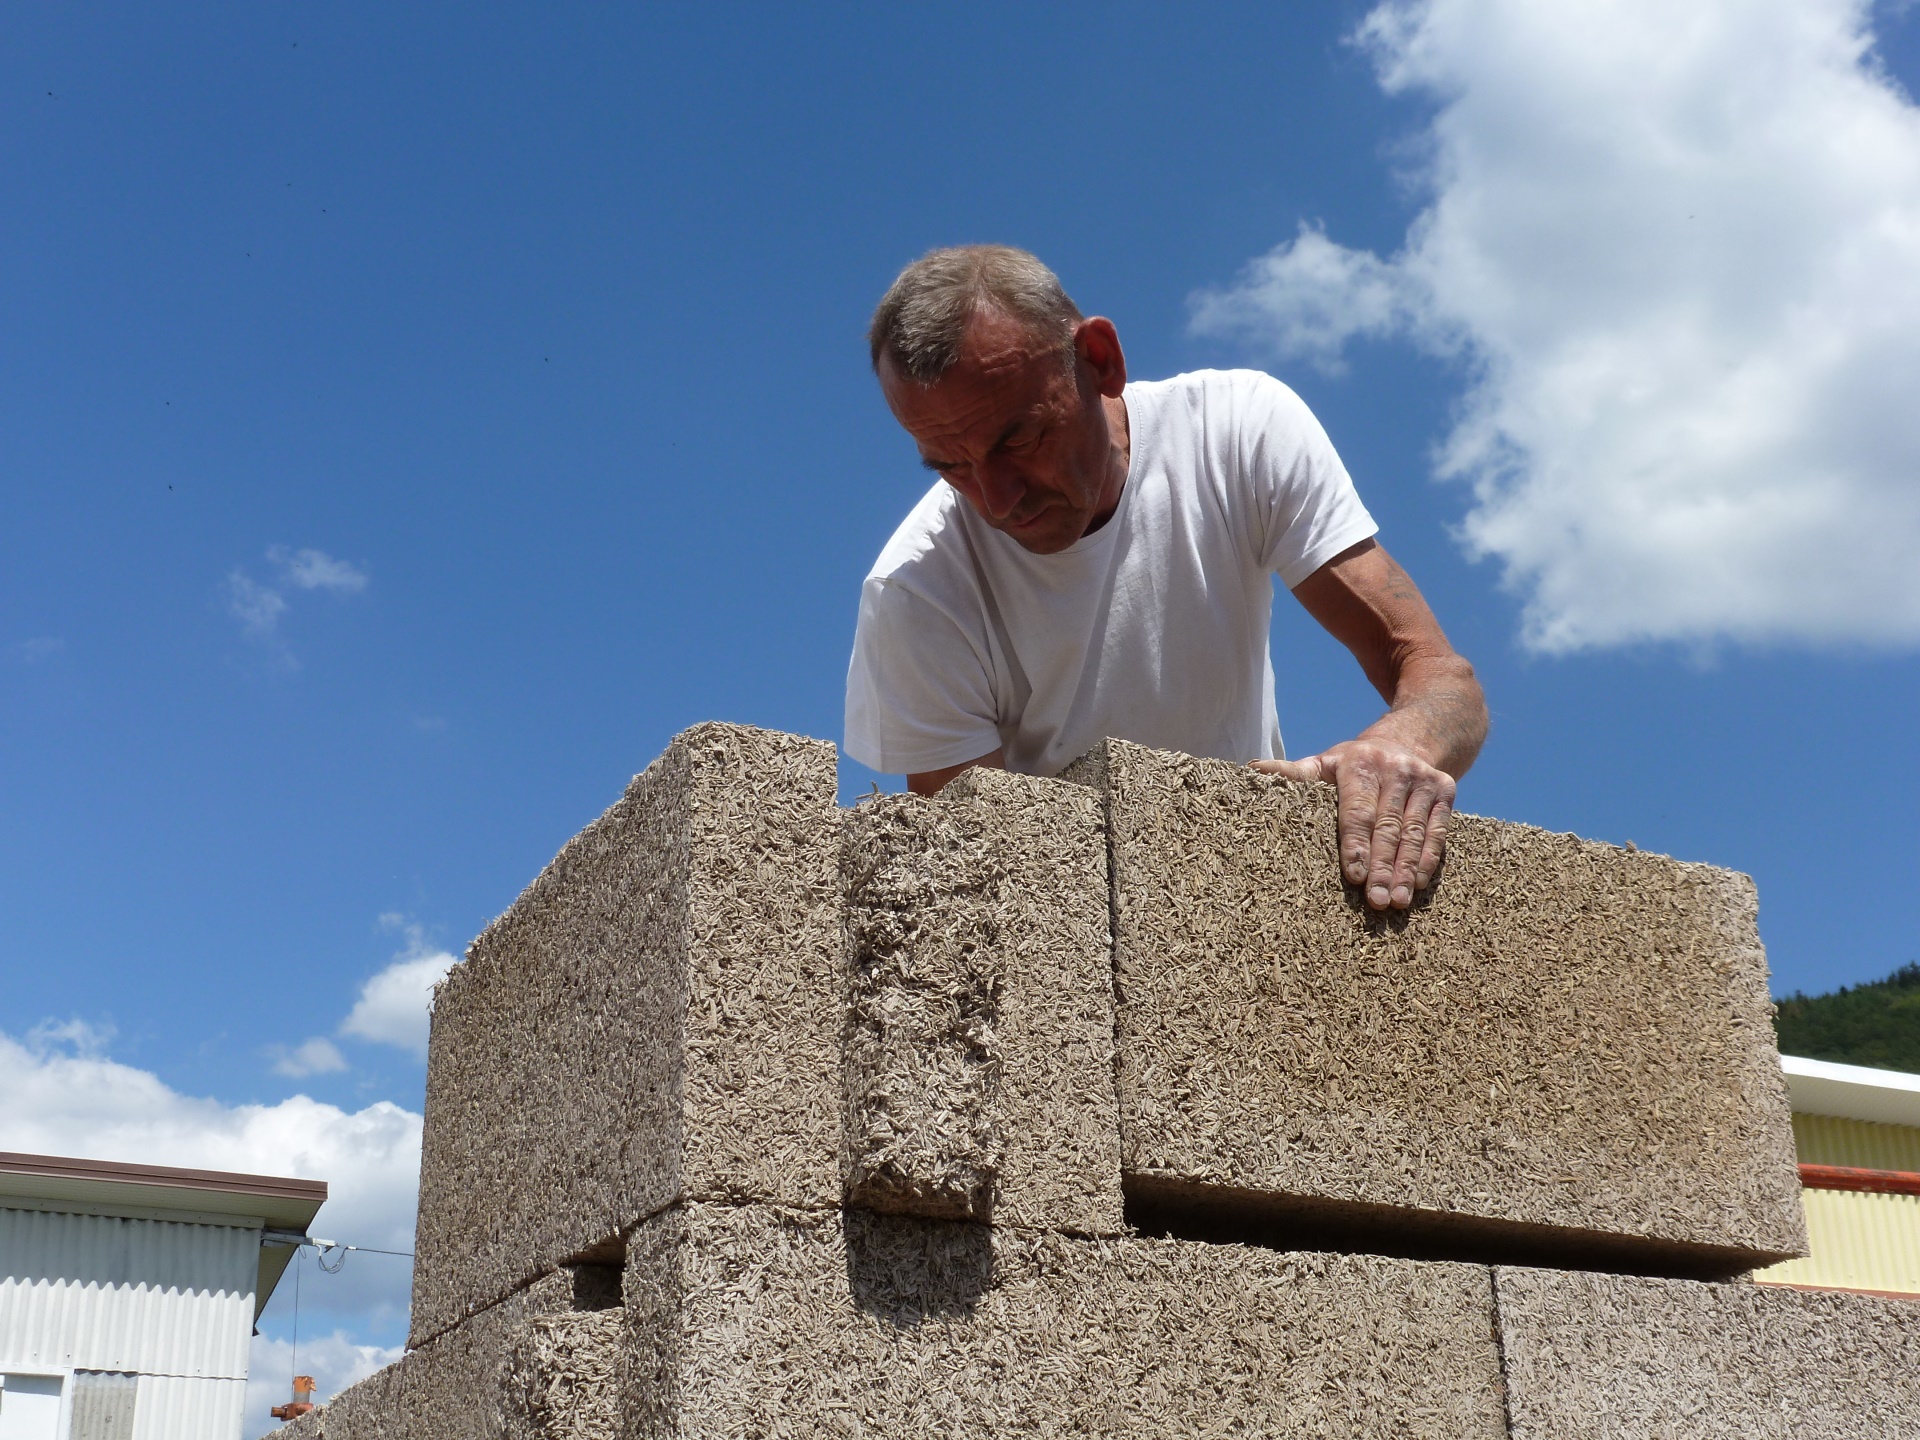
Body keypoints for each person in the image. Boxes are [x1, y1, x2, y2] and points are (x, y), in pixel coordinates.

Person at [844, 246, 1487, 912]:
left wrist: (1393, 751)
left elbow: (1443, 680)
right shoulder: (916, 594)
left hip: (1251, 893)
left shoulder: (1238, 433)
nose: (997, 498)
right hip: (1075, 924)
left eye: (1021, 440)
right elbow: (979, 883)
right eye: (949, 466)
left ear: (1099, 361)